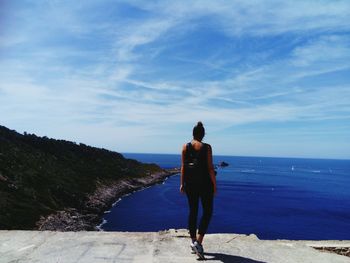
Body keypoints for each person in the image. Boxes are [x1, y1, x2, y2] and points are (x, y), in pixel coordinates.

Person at [180, 121, 217, 259]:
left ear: (193, 134)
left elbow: (183, 167)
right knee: (207, 211)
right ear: (203, 134)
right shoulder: (207, 147)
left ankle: (193, 241)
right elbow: (210, 168)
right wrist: (215, 185)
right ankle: (198, 242)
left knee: (193, 212)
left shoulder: (185, 147)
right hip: (205, 185)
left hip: (190, 184)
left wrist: (182, 183)